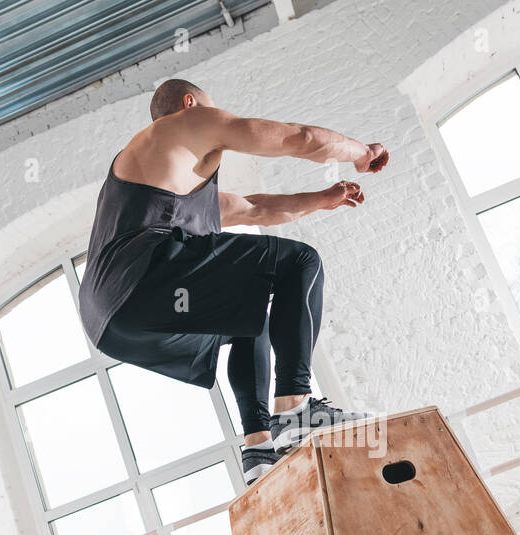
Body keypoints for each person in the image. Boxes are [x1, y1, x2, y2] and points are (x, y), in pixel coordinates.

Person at [78, 78, 389, 484]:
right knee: (300, 260)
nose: (218, 117)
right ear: (191, 103)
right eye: (212, 108)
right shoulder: (181, 125)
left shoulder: (172, 178)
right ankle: (297, 407)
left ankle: (258, 445)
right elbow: (301, 138)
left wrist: (321, 198)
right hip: (139, 278)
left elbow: (255, 210)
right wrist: (362, 153)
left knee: (250, 307)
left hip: (112, 318)